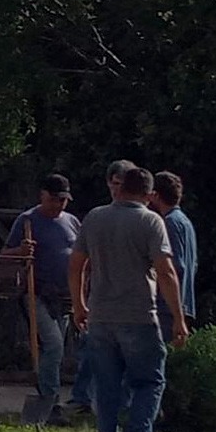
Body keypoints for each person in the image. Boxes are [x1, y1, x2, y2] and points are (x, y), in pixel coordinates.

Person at [69, 166, 188, 432]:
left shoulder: (95, 217)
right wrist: (178, 317)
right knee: (150, 381)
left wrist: (79, 304)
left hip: (100, 316)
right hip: (138, 315)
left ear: (119, 188)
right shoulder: (151, 221)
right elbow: (166, 271)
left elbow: (77, 264)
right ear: (149, 195)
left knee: (106, 390)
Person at [1, 174, 81, 419]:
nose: (59, 204)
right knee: (54, 344)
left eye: (63, 200)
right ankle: (49, 399)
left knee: (55, 349)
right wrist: (21, 250)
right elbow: (4, 254)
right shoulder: (27, 220)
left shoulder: (72, 222)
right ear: (43, 195)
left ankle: (49, 401)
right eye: (54, 199)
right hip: (37, 293)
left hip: (64, 296)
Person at [67, 158, 136, 413]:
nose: (118, 189)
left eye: (123, 184)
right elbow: (79, 263)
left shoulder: (143, 219)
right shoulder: (97, 217)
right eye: (115, 184)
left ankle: (119, 405)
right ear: (109, 184)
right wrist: (80, 301)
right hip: (101, 298)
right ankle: (83, 398)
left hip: (132, 302)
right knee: (92, 350)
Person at [149, 171, 197, 341]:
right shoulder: (185, 222)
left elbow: (173, 266)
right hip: (184, 302)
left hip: (167, 307)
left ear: (156, 195)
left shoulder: (168, 223)